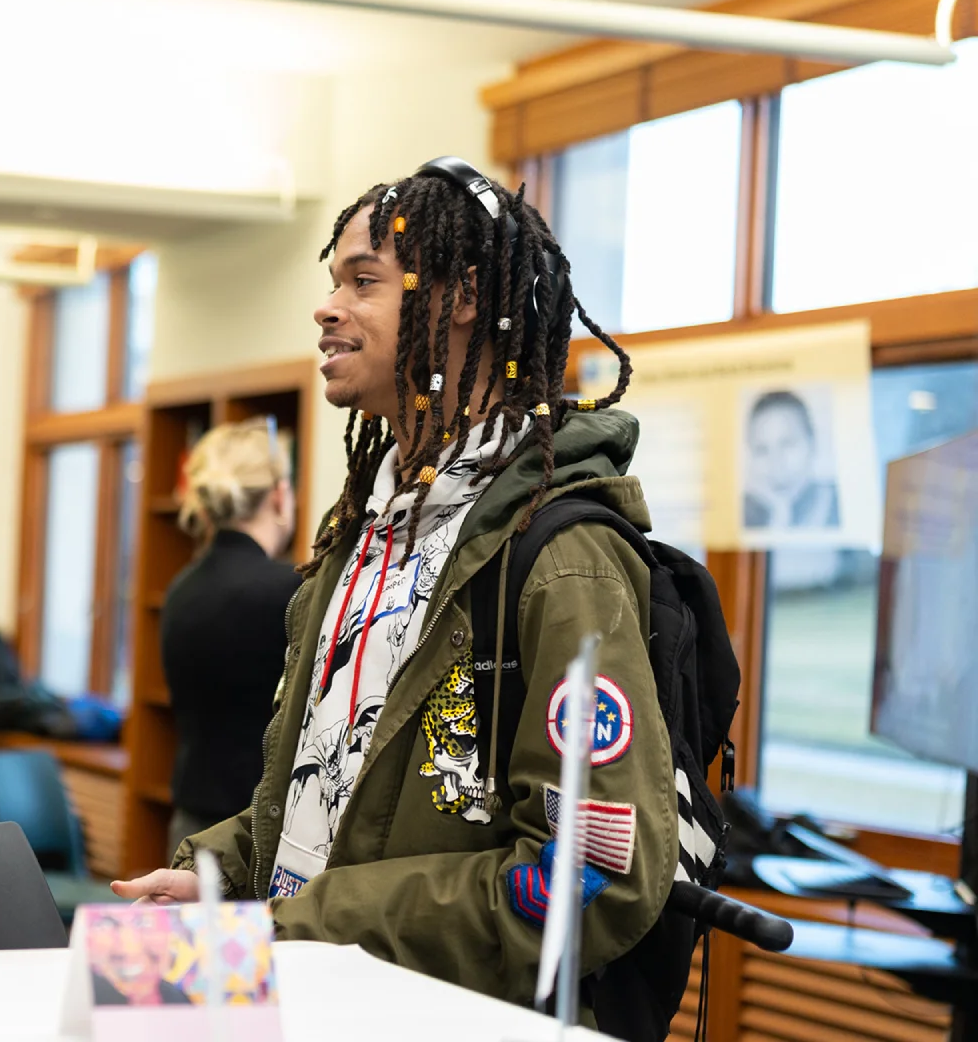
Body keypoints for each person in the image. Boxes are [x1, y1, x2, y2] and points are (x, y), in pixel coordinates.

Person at [113, 159, 676, 1013]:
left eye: (363, 281)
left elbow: (593, 875)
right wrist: (223, 879)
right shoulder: (361, 537)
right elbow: (330, 796)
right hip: (312, 994)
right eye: (335, 280)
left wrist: (302, 922)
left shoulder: (563, 558)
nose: (326, 306)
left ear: (459, 298)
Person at [160, 418, 300, 858]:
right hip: (255, 832)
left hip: (189, 823)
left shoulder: (180, 589)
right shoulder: (290, 591)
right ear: (280, 496)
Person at [742, 389, 840, 530]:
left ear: (812, 443)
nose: (776, 464)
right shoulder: (746, 513)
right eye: (761, 450)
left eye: (787, 444)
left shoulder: (839, 505)